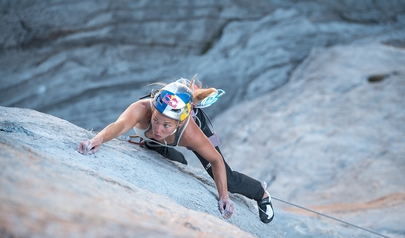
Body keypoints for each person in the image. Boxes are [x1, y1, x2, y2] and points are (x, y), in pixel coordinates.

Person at [77, 76, 274, 223]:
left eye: (166, 126)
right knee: (169, 157)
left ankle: (261, 194)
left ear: (179, 124)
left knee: (227, 180)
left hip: (193, 131)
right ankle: (163, 151)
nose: (158, 129)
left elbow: (216, 161)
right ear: (152, 110)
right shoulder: (141, 109)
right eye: (155, 120)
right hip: (160, 141)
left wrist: (224, 196)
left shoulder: (191, 133)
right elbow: (119, 125)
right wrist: (98, 139)